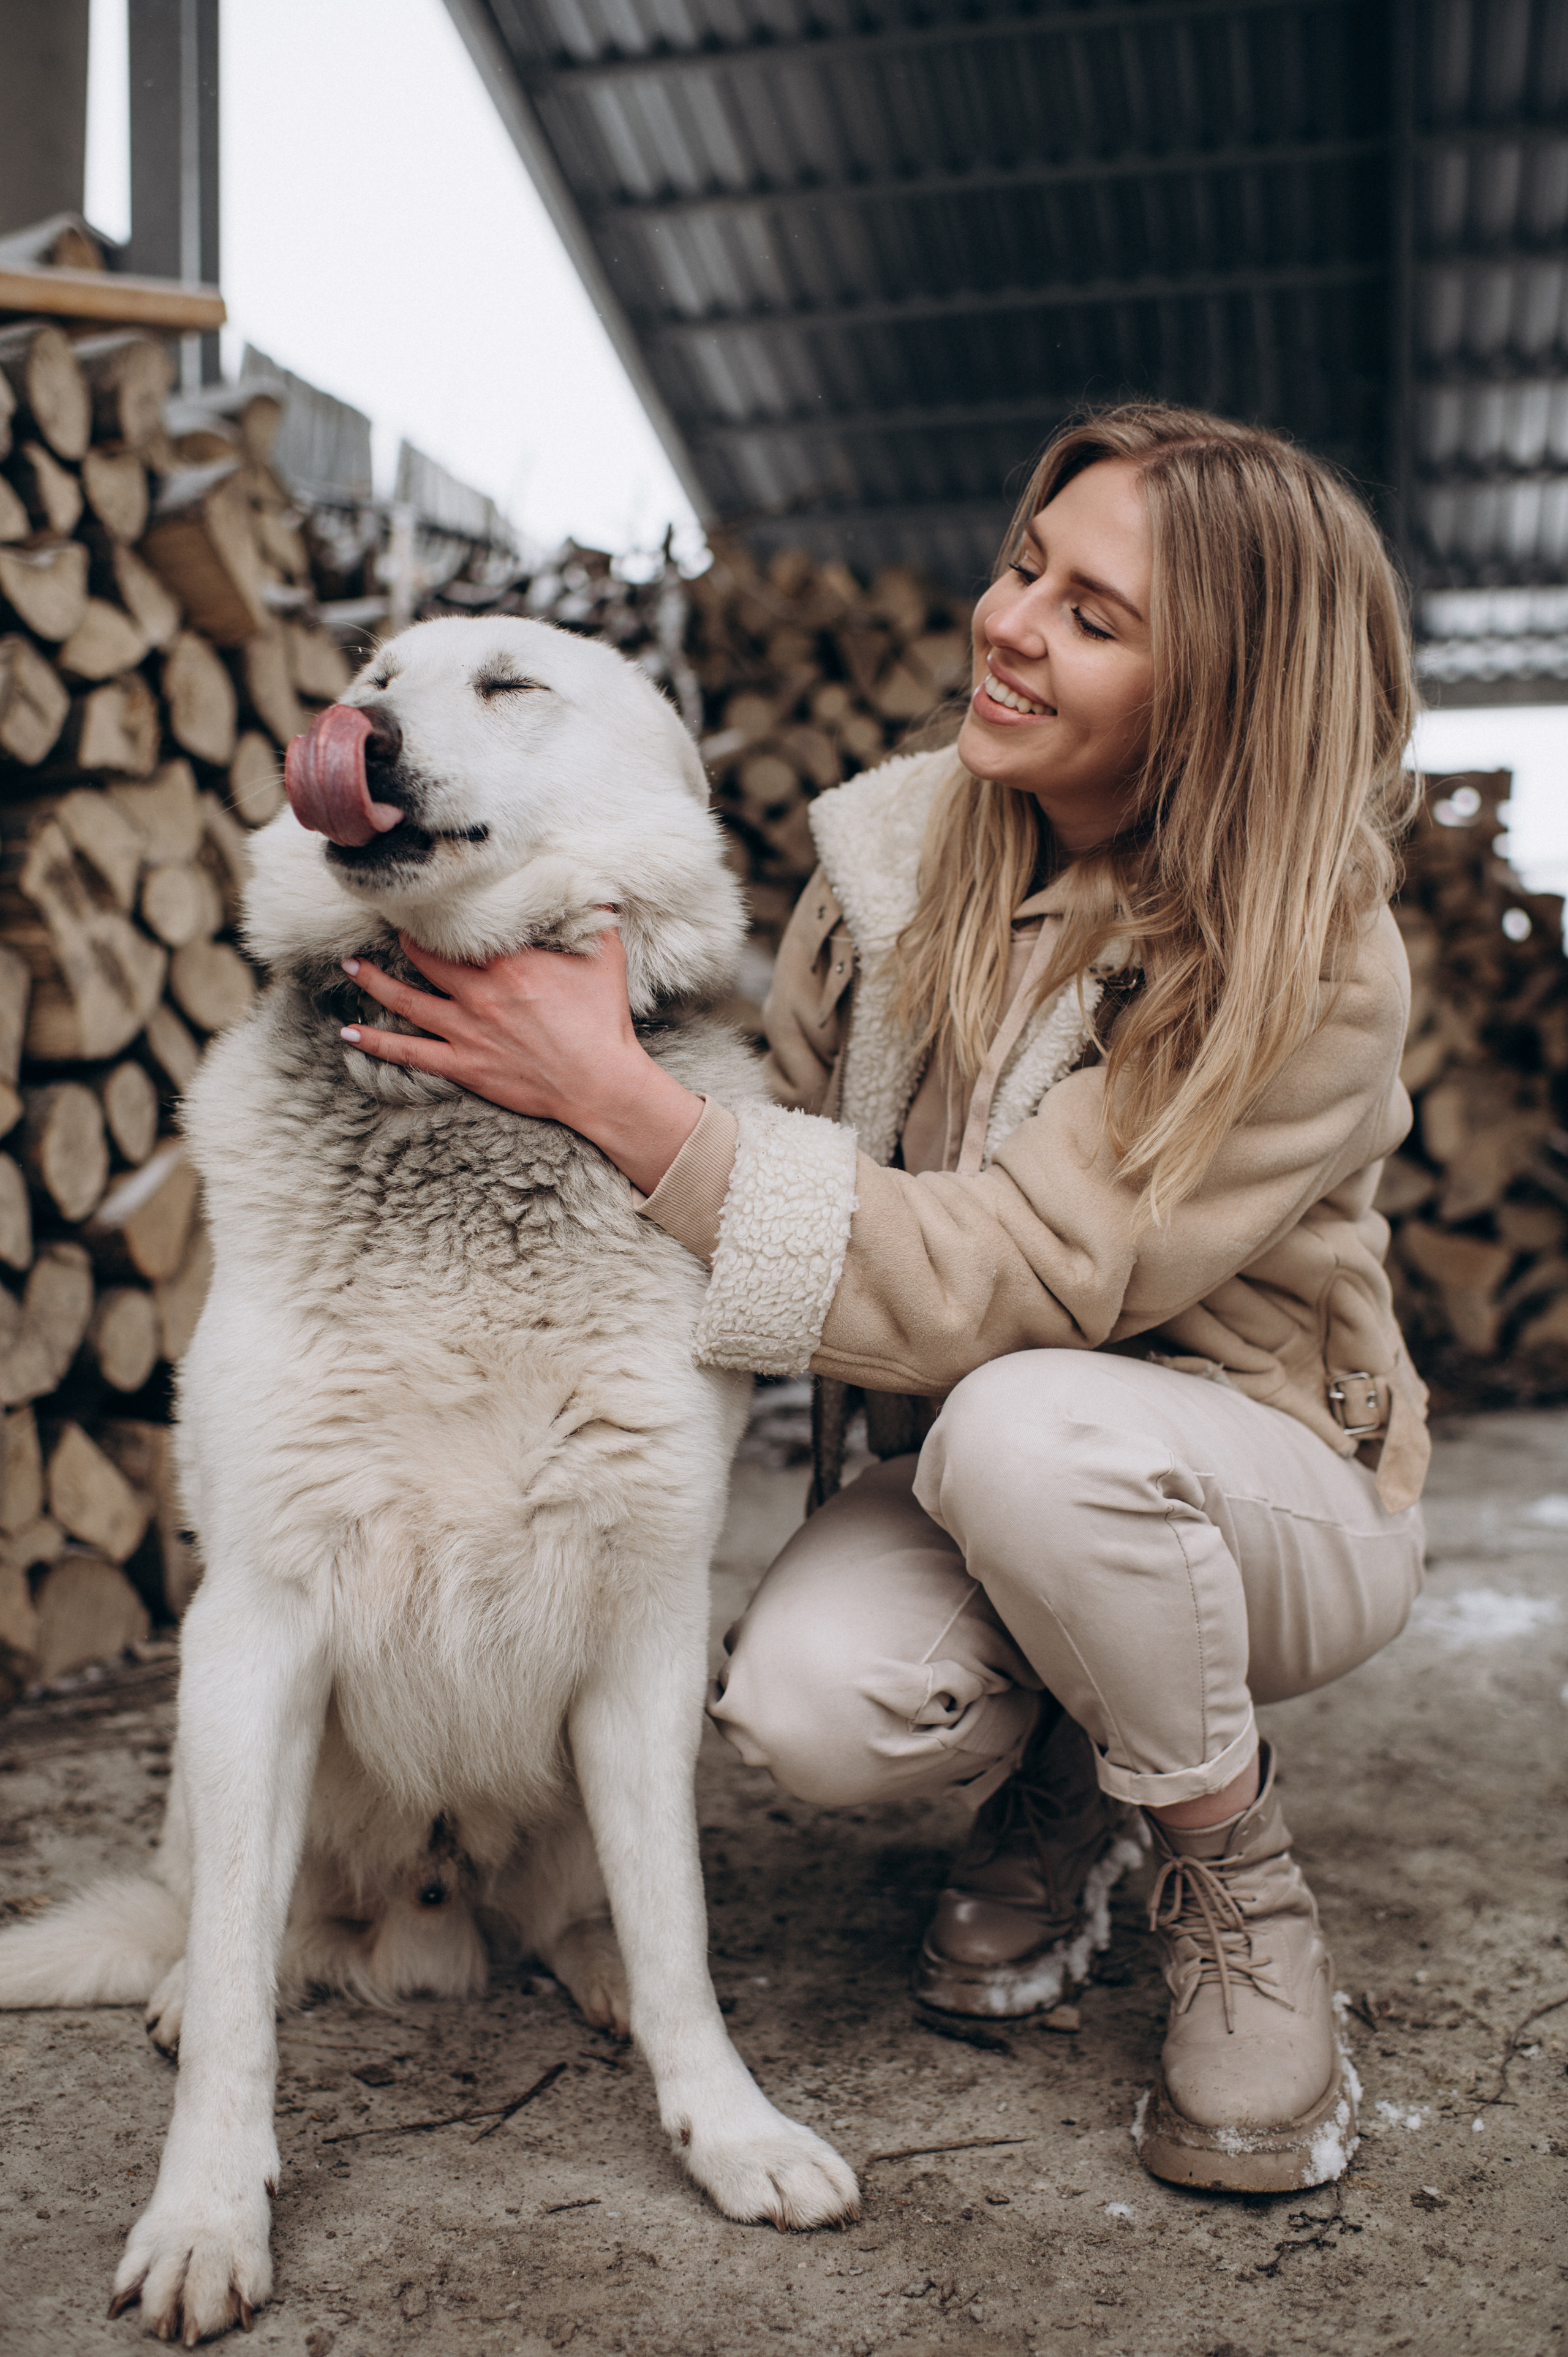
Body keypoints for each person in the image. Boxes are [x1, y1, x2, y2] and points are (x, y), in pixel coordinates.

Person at [339, 403, 1429, 2194]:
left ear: (1222, 693)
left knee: (1029, 1423)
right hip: (988, 1476)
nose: (1007, 623)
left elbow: (1018, 1281)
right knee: (812, 1699)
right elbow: (765, 1151)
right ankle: (1075, 1766)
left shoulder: (1305, 955)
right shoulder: (896, 865)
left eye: (1095, 616)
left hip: (1266, 1484)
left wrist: (617, 1096)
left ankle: (1237, 1879)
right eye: (1026, 566)